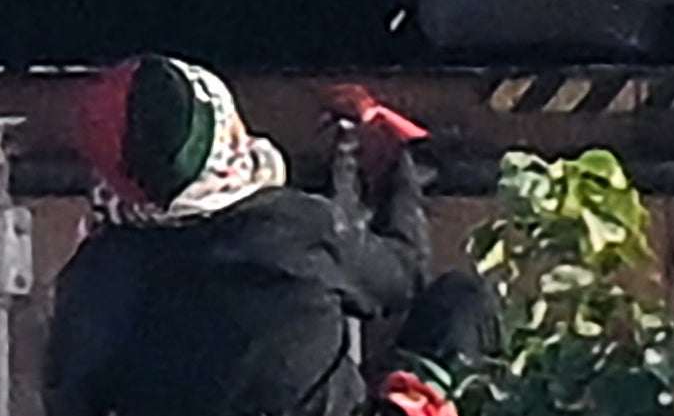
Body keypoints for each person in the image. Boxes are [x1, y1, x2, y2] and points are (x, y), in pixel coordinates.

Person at [41, 58, 487, 416]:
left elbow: (68, 398)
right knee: (461, 302)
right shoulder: (296, 227)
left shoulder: (95, 274)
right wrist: (396, 173)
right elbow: (403, 276)